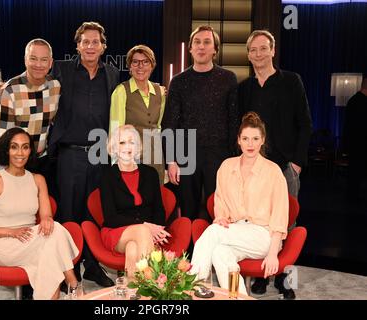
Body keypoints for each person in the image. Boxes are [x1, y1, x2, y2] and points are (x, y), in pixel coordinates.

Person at [238, 30, 312, 299]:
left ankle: (286, 278)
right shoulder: (244, 88)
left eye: (262, 48)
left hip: (284, 168)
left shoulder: (292, 81)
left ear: (272, 50)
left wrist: (297, 164)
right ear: (248, 55)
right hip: (254, 168)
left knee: (287, 224)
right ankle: (261, 275)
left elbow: (305, 123)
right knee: (257, 222)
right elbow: (240, 128)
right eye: (253, 50)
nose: (258, 54)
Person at [48, 22, 120, 287]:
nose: (90, 46)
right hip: (70, 154)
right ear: (77, 45)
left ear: (103, 47)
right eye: (85, 42)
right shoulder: (62, 69)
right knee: (69, 212)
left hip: (101, 154)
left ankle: (92, 265)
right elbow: (34, 76)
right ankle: (70, 267)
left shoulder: (112, 73)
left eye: (95, 42)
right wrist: (7, 86)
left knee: (94, 212)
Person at [0, 127, 79, 300]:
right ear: (6, 150)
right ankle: (74, 285)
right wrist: (10, 232)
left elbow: (46, 216)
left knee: (49, 259)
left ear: (31, 151)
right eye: (14, 147)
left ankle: (68, 289)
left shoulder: (38, 180)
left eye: (25, 147)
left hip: (31, 240)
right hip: (3, 245)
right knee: (55, 236)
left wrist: (47, 220)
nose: (20, 153)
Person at [190, 112, 289, 296]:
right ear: (238, 140)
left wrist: (273, 252)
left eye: (255, 138)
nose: (250, 144)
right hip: (234, 232)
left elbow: (280, 215)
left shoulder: (273, 171)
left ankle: (195, 288)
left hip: (264, 236)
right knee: (219, 253)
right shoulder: (227, 166)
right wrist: (220, 216)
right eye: (245, 138)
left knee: (213, 232)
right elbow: (219, 200)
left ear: (262, 140)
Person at [161, 25, 238, 222]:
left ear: (215, 49)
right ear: (190, 48)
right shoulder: (178, 81)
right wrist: (171, 160)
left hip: (220, 155)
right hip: (186, 156)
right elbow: (169, 123)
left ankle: (215, 253)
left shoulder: (228, 79)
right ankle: (189, 253)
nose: (201, 47)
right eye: (197, 42)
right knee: (188, 212)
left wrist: (234, 160)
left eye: (207, 42)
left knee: (220, 211)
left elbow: (234, 121)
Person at [100, 125, 171, 278]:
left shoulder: (150, 173)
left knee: (133, 249)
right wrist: (146, 226)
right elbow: (110, 217)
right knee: (142, 231)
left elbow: (159, 209)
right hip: (116, 232)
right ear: (114, 147)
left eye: (131, 142)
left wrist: (157, 231)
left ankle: (131, 290)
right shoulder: (107, 176)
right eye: (122, 142)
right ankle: (152, 286)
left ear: (138, 147)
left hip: (145, 235)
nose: (127, 147)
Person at [0, 38, 60, 194]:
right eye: (33, 58)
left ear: (50, 63)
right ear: (25, 60)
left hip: (43, 162)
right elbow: (3, 136)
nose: (38, 64)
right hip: (16, 163)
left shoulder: (56, 87)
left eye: (44, 60)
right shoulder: (10, 90)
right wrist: (2, 174)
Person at [109, 45, 166, 184]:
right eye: (135, 62)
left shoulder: (160, 92)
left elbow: (158, 127)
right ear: (130, 66)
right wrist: (116, 165)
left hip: (155, 158)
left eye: (145, 61)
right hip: (130, 158)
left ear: (152, 65)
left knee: (155, 201)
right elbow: (116, 130)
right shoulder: (121, 91)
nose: (140, 66)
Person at [344, 77, 367, 201]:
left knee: (354, 172)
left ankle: (353, 195)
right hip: (359, 143)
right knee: (356, 172)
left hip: (354, 143)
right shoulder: (359, 102)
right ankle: (353, 196)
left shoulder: (353, 100)